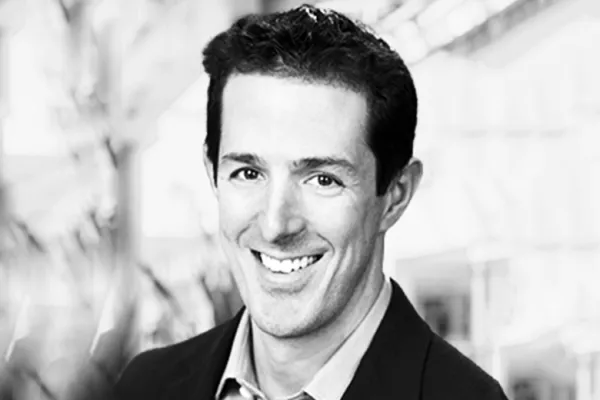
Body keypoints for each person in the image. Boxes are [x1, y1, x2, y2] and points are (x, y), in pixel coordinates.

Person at [114, 4, 509, 400]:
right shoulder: (145, 387)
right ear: (212, 172)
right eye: (248, 173)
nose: (275, 225)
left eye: (323, 180)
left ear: (395, 195)